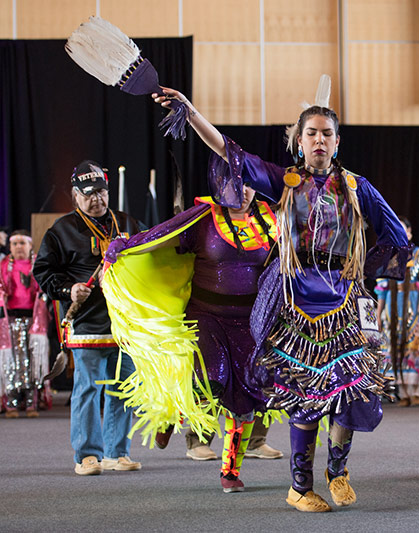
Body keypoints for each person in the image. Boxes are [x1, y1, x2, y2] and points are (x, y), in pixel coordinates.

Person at [152, 77, 410, 512]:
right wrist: (191, 112)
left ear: (337, 140)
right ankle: (299, 486)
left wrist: (361, 270)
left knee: (351, 393)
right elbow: (228, 150)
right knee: (305, 398)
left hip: (344, 303)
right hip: (296, 303)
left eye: (327, 133)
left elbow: (396, 236)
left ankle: (338, 471)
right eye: (311, 133)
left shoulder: (357, 187)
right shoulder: (284, 182)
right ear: (299, 140)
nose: (319, 140)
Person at [104, 183, 284, 492]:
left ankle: (230, 470)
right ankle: (171, 414)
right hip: (206, 314)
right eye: (233, 182)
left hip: (252, 323)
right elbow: (161, 238)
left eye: (248, 183)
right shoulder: (202, 219)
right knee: (211, 377)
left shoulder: (272, 221)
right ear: (220, 186)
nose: (241, 190)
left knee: (246, 399)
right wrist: (127, 246)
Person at [32, 160, 143, 476]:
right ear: (75, 195)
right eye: (89, 193)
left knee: (123, 388)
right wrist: (69, 289)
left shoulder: (128, 224)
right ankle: (87, 455)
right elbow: (43, 271)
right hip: (88, 324)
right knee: (88, 389)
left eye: (102, 192)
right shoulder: (62, 230)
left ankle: (116, 451)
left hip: (125, 323)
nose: (97, 198)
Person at [376, 217, 419, 407]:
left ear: (410, 233)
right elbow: (382, 288)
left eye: (403, 230)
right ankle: (402, 393)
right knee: (395, 347)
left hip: (415, 305)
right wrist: (378, 315)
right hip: (393, 308)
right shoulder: (388, 255)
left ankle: (416, 392)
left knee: (417, 347)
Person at [0, 230, 49, 418]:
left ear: (30, 246)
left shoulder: (38, 265)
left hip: (34, 320)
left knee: (33, 360)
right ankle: (11, 403)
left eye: (23, 243)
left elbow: (45, 288)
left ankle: (32, 403)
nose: (19, 247)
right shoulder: (4, 266)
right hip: (10, 320)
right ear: (10, 247)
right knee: (11, 361)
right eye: (15, 243)